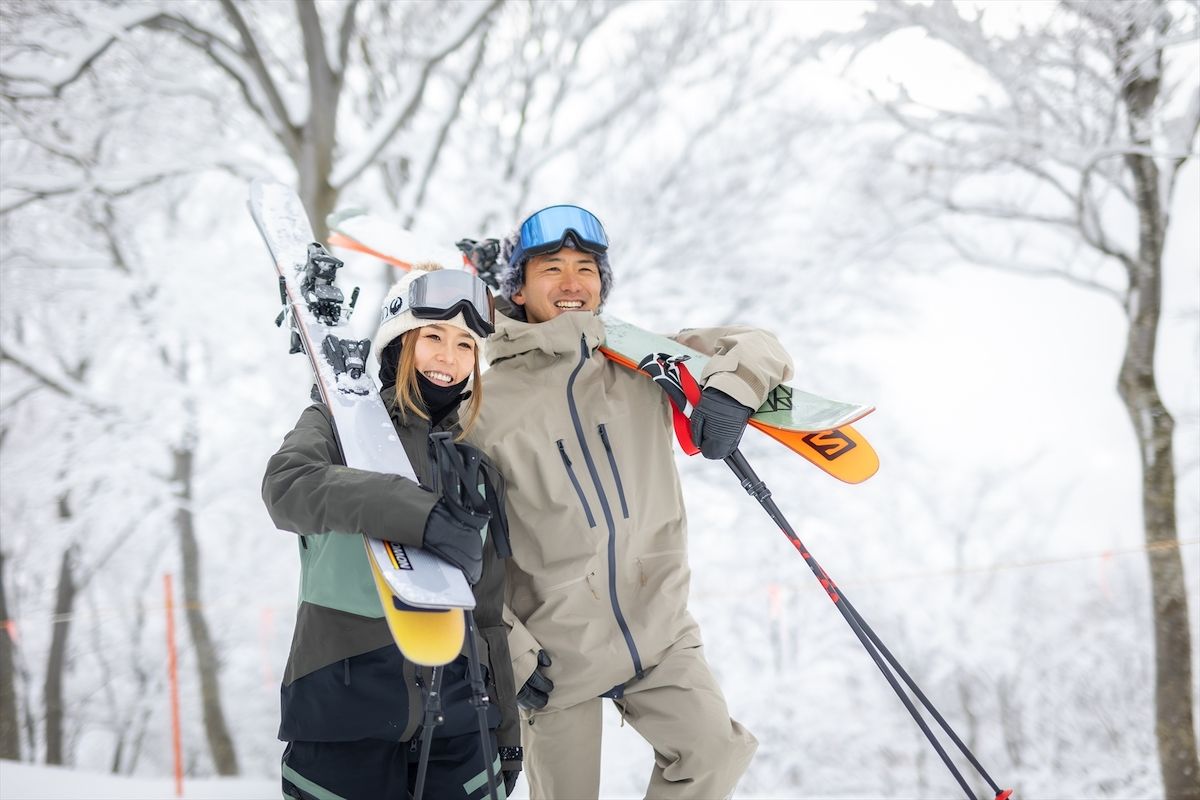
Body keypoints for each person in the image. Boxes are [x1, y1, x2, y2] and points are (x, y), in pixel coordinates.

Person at [467, 205, 795, 799]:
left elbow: (759, 344)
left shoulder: (642, 363)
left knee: (713, 754)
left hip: (660, 628)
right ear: (518, 287)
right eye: (552, 269)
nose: (572, 284)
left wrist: (732, 391)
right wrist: (507, 646)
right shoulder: (484, 405)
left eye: (586, 268)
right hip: (554, 652)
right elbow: (462, 546)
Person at [262, 263, 522, 800]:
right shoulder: (338, 426)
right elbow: (287, 487)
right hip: (341, 715)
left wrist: (505, 733)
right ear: (399, 343)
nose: (449, 358)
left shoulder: (477, 466)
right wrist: (419, 516)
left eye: (465, 345)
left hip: (461, 726)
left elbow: (490, 614)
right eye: (432, 337)